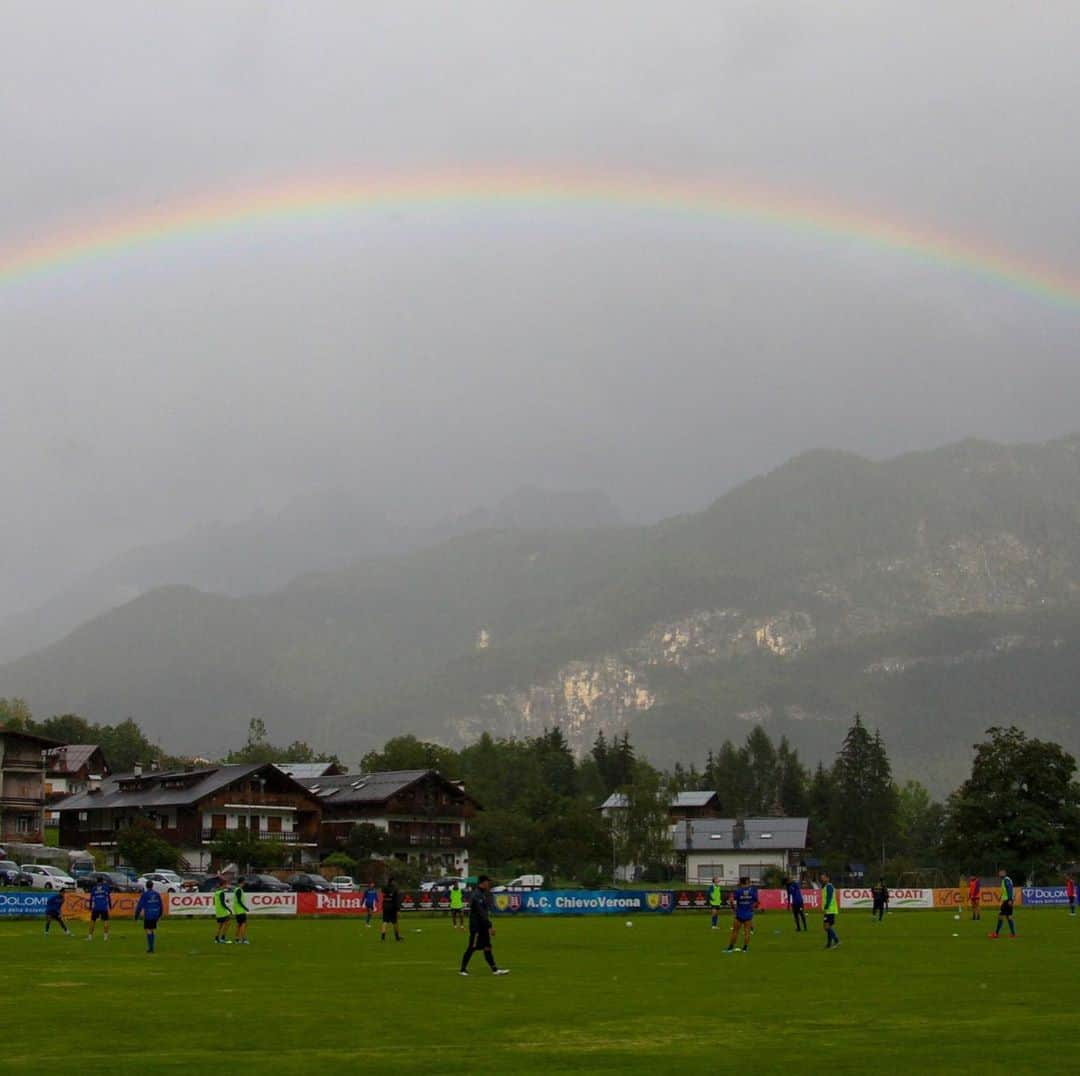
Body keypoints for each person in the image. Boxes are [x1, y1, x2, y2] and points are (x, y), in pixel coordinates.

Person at [459, 874, 508, 976]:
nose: (489, 883)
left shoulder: (482, 894)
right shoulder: (476, 895)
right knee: (472, 947)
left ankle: (495, 970)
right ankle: (462, 970)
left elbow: (484, 912)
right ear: (483, 882)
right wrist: (490, 926)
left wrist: (488, 926)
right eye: (487, 882)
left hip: (483, 926)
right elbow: (481, 913)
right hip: (476, 927)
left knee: (487, 947)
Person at [724, 877, 758, 953]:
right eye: (749, 882)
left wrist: (733, 908)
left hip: (739, 914)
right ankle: (745, 949)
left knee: (735, 932)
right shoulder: (752, 892)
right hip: (748, 914)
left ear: (741, 883)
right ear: (746, 882)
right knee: (747, 932)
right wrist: (752, 908)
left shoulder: (738, 891)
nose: (750, 883)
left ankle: (730, 948)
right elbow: (757, 902)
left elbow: (731, 900)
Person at [134, 878, 164, 953]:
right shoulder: (157, 894)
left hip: (149, 914)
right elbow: (160, 905)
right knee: (151, 929)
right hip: (156, 914)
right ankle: (151, 947)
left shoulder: (145, 894)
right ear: (152, 886)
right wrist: (160, 914)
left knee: (148, 930)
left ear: (146, 886)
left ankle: (151, 948)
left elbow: (139, 906)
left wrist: (136, 916)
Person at [988, 869, 1016, 939]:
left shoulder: (1006, 880)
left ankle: (996, 934)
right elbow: (1006, 890)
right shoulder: (1005, 880)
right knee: (1009, 916)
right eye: (999, 873)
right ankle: (1013, 934)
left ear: (1005, 873)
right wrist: (1002, 896)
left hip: (1007, 901)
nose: (1000, 874)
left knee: (1000, 916)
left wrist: (1009, 899)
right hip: (1007, 900)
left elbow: (1009, 889)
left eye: (1001, 873)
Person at [86, 875, 113, 941]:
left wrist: (90, 907)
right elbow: (108, 897)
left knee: (92, 922)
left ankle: (90, 937)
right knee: (106, 921)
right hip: (104, 907)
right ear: (102, 881)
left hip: (96, 908)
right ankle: (105, 937)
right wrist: (110, 905)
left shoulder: (94, 888)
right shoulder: (105, 888)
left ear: (97, 882)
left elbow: (91, 899)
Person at [821, 872, 840, 949]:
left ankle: (836, 940)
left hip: (830, 910)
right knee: (828, 927)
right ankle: (829, 944)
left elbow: (829, 897)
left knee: (826, 927)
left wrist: (826, 906)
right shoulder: (826, 886)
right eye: (821, 877)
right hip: (829, 909)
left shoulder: (829, 886)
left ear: (828, 878)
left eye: (823, 877)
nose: (822, 879)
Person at [380, 877, 402, 942]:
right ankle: (397, 937)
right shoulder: (395, 888)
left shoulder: (384, 888)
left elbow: (383, 893)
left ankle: (383, 937)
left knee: (385, 922)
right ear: (392, 881)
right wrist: (398, 909)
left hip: (385, 906)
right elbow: (396, 900)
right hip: (392, 906)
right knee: (395, 922)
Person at [213, 877, 233, 944]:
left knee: (220, 926)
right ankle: (223, 938)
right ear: (223, 884)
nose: (226, 886)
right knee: (228, 923)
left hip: (218, 911)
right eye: (226, 884)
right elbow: (222, 903)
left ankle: (216, 939)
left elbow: (214, 902)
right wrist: (229, 909)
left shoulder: (216, 892)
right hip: (222, 911)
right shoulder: (221, 892)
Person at [233, 878, 250, 945]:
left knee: (239, 925)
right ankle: (243, 939)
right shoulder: (239, 890)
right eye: (243, 882)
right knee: (243, 924)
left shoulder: (237, 889)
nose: (244, 884)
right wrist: (245, 908)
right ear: (241, 882)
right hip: (240, 910)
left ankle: (237, 939)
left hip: (237, 910)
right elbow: (239, 901)